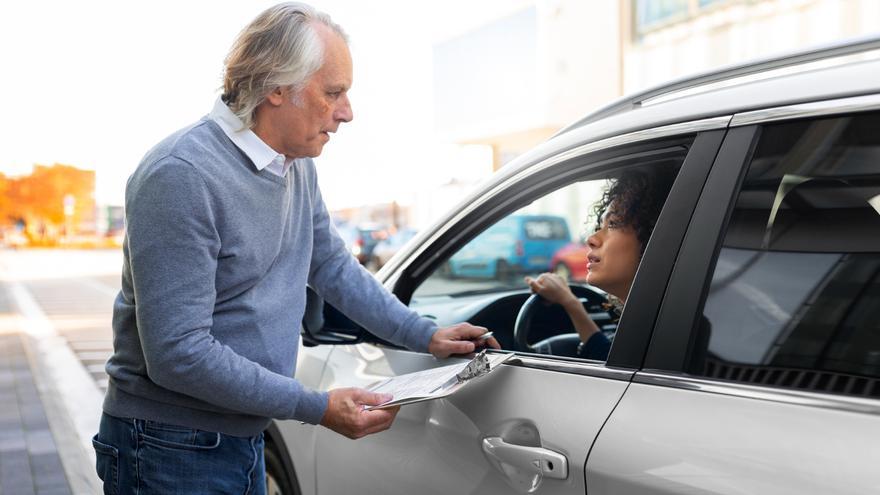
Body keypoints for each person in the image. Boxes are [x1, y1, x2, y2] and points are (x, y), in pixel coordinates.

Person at [92, 3, 498, 494]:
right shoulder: (181, 175)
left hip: (241, 433)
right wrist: (317, 407)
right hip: (167, 445)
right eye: (334, 93)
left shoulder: (294, 162)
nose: (347, 112)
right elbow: (179, 353)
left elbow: (331, 266)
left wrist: (423, 335)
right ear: (276, 88)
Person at [525, 167, 675, 360]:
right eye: (599, 226)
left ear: (652, 236)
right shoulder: (661, 322)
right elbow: (607, 353)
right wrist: (570, 302)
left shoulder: (667, 329)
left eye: (612, 224)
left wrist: (569, 302)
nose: (592, 239)